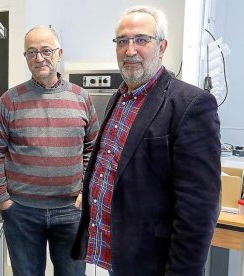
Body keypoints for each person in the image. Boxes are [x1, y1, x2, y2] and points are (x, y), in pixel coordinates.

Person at [71, 6, 221, 276]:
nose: (130, 50)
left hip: (154, 263)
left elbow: (198, 212)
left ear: (162, 46)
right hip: (121, 255)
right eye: (122, 41)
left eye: (141, 40)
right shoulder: (119, 98)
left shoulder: (191, 105)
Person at [0, 26, 99, 276]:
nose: (39, 58)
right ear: (25, 57)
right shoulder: (10, 100)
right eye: (31, 52)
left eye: (46, 51)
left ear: (59, 53)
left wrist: (85, 190)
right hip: (22, 211)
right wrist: (2, 198)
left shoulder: (82, 98)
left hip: (71, 210)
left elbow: (93, 149)